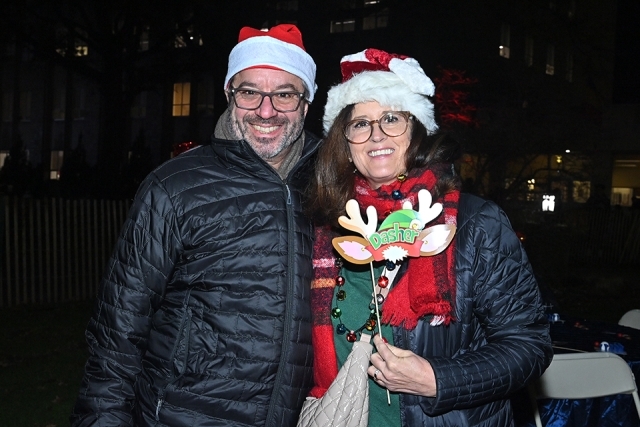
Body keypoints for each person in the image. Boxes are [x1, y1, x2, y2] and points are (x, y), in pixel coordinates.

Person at [71, 24, 320, 427]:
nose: (266, 110)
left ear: (306, 103)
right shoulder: (174, 187)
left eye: (285, 94)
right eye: (250, 91)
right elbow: (118, 330)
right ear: (229, 96)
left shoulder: (331, 187)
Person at [304, 48, 553, 426]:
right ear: (346, 142)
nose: (376, 135)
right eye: (360, 124)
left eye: (391, 118)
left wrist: (439, 380)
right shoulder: (327, 225)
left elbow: (529, 345)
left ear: (417, 129)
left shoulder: (475, 224)